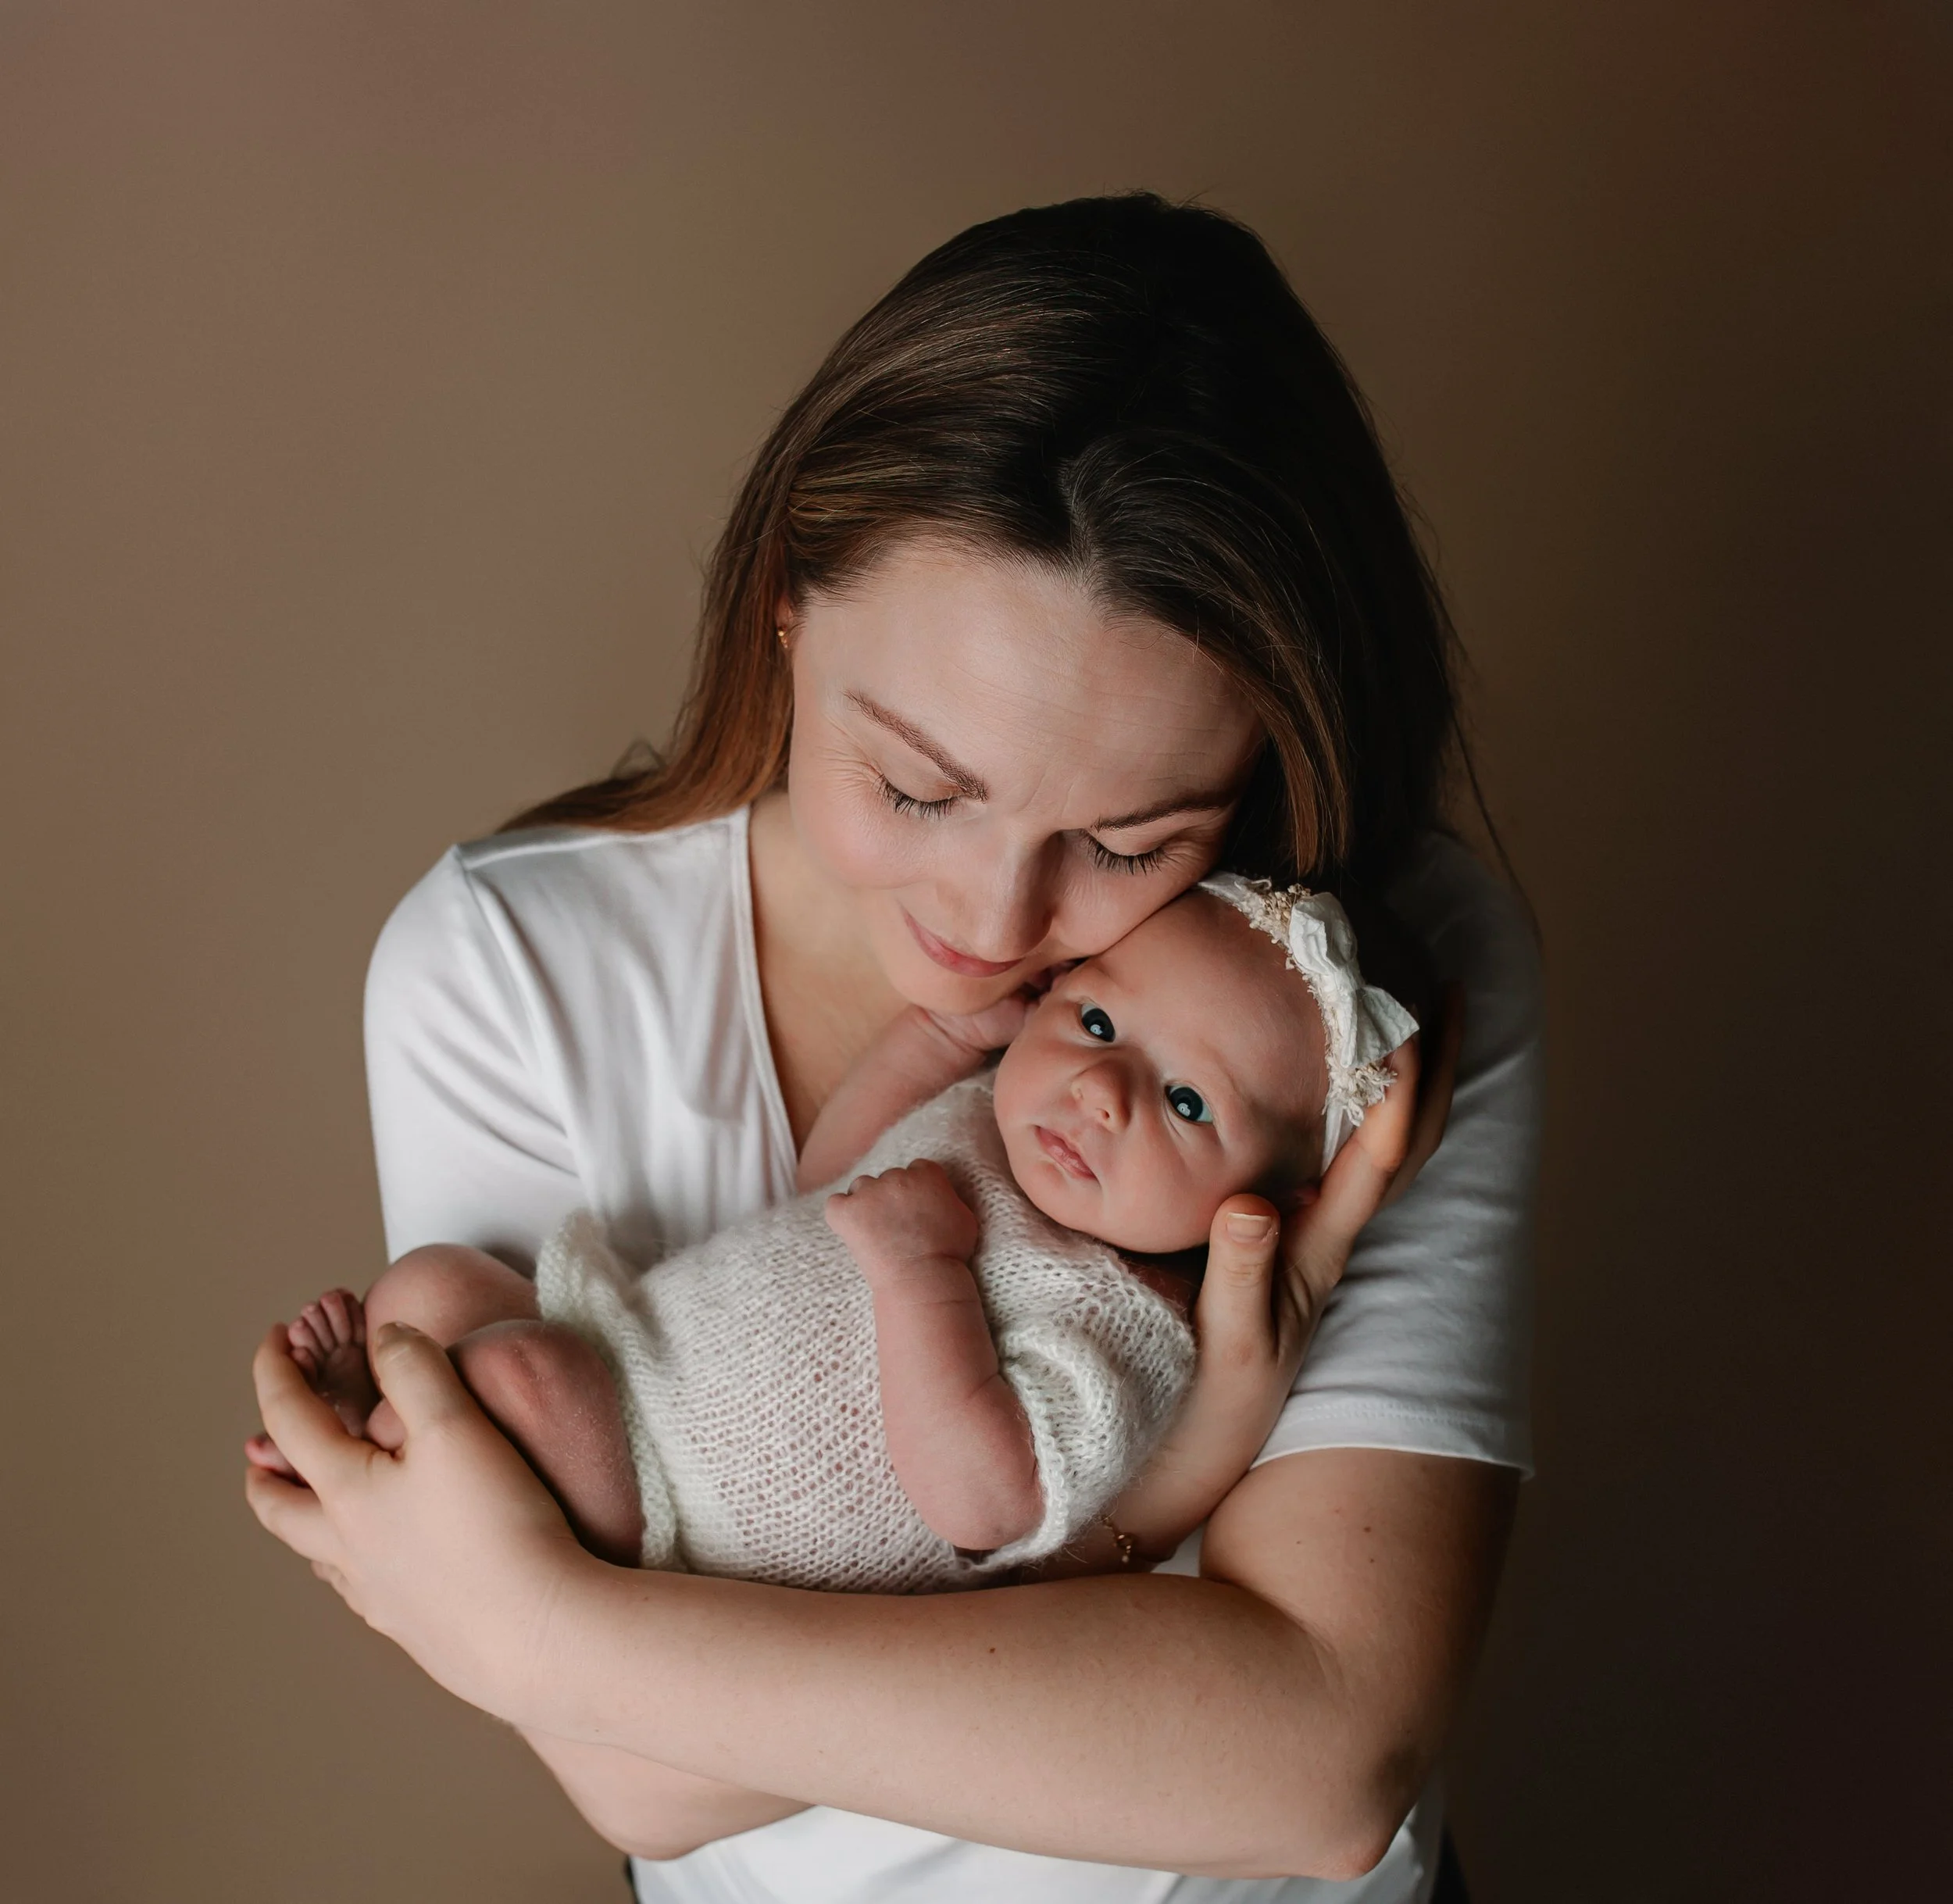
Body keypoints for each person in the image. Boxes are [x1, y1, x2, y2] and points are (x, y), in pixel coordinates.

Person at [247, 193, 1541, 1901]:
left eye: (1130, 839)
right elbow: (641, 1777)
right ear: (786, 605)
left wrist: (546, 1619)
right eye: (919, 788)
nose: (998, 921)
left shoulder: (1342, 998)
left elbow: (1321, 1763)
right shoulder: (507, 972)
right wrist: (1161, 1527)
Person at [251, 876, 1416, 1592]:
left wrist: (924, 1277)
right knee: (436, 1284)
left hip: (680, 1514)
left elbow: (987, 1501)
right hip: (630, 1346)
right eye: (1099, 1019)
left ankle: (387, 1450)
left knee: (512, 1375)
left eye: (1187, 1103)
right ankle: (391, 1438)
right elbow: (833, 1178)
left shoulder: (1126, 1325)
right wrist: (931, 1044)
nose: (1104, 1089)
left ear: (1255, 1204)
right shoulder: (992, 1115)